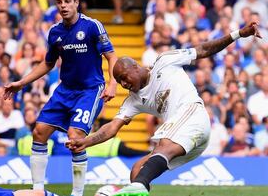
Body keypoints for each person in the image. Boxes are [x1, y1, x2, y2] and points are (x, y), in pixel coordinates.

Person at [66, 22, 260, 196]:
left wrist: (237, 34)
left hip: (193, 114)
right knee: (137, 171)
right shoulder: (133, 101)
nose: (124, 83)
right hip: (188, 140)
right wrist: (87, 141)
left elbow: (202, 50)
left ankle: (139, 187)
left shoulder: (165, 61)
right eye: (120, 82)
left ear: (135, 66)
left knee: (162, 145)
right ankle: (139, 187)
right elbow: (111, 128)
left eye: (125, 77)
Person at [4, 0, 117, 196]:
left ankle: (77, 193)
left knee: (75, 137)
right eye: (60, 2)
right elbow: (48, 64)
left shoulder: (93, 26)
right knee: (39, 132)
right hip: (65, 90)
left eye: (67, 1)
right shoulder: (55, 32)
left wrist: (112, 83)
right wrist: (21, 82)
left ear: (76, 3)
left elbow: (111, 56)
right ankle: (37, 190)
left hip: (90, 90)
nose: (63, 6)